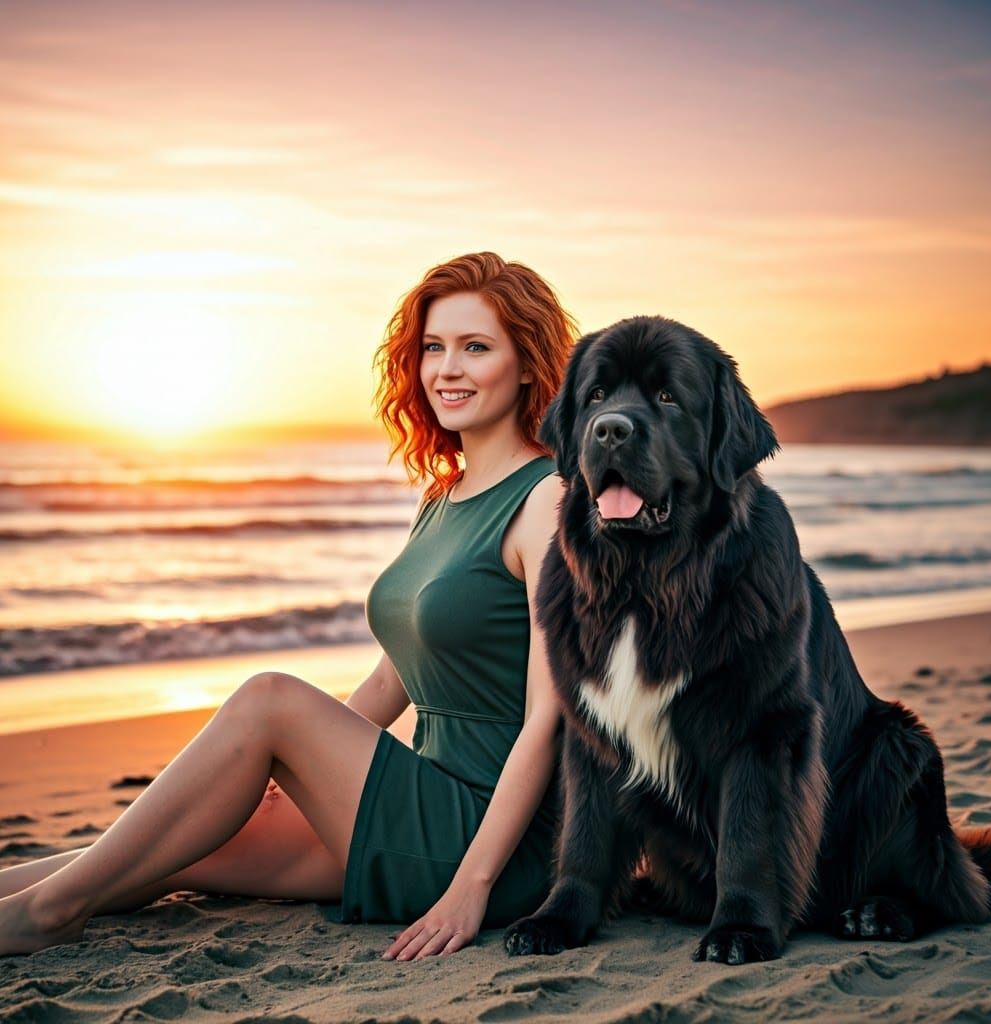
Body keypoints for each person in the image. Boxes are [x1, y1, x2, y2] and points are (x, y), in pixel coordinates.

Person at [0, 251, 577, 959]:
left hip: (489, 839)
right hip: (420, 795)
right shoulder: (441, 497)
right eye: (433, 347)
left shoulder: (547, 499)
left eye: (475, 347)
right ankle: (18, 902)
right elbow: (392, 677)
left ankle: (46, 916)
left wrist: (473, 886)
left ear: (526, 365)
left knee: (268, 697)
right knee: (181, 844)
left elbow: (549, 719)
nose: (446, 369)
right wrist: (295, 768)